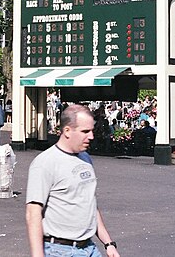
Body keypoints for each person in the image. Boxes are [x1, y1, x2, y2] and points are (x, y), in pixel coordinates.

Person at [26, 104, 120, 257]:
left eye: (91, 131)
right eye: (85, 131)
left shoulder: (85, 158)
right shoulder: (45, 163)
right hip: (60, 250)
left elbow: (90, 204)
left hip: (89, 247)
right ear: (67, 131)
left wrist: (108, 244)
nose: (91, 136)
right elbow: (33, 213)